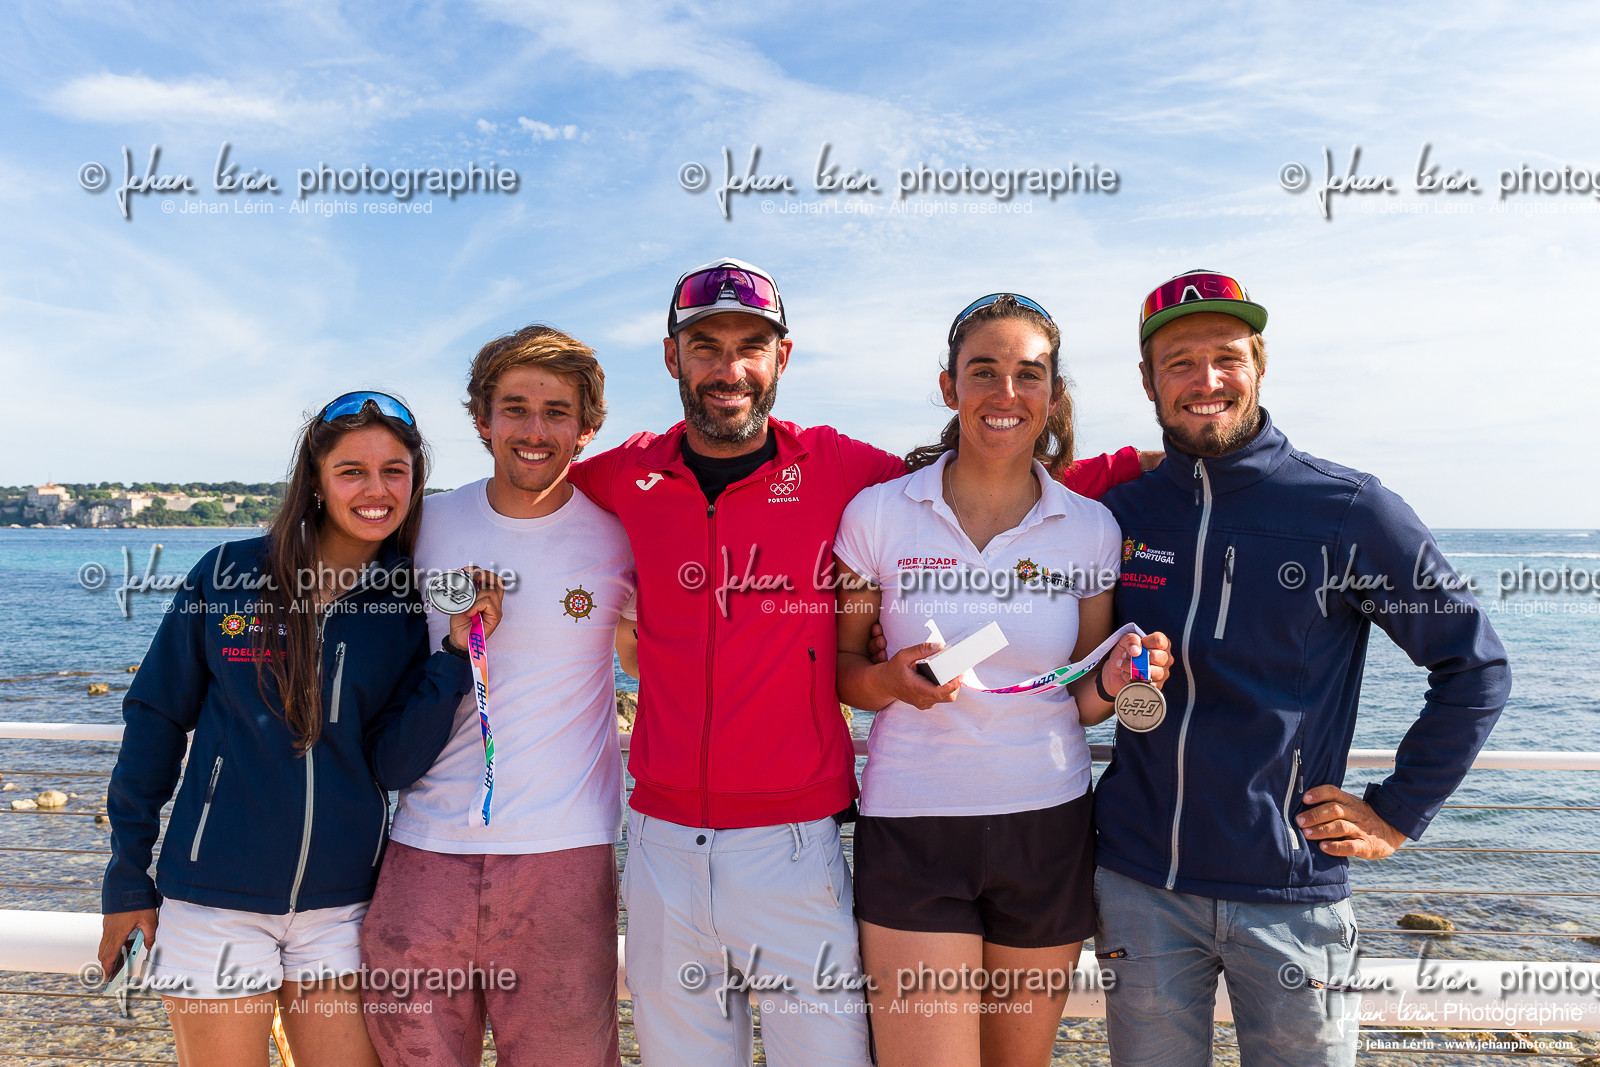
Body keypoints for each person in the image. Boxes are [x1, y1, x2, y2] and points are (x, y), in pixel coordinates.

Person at [567, 260, 1153, 1066]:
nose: (729, 368)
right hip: (715, 834)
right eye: (706, 346)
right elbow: (531, 483)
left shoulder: (848, 471)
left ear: (783, 356)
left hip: (896, 833)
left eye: (752, 346)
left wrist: (1146, 473)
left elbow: (998, 482)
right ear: (673, 358)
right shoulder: (630, 475)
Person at [1092, 270, 1512, 1066]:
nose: (1205, 380)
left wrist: (1397, 810)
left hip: (1291, 896)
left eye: (1227, 356)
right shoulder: (1123, 512)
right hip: (1140, 885)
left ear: (1259, 364)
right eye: (1179, 361)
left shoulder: (1346, 508)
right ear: (1147, 380)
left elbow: (1474, 663)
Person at [99, 392, 502, 1067]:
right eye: (352, 470)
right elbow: (155, 720)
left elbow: (392, 765)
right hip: (212, 901)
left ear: (416, 481)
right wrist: (126, 877)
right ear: (315, 478)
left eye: (394, 471)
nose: (376, 490)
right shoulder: (226, 575)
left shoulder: (407, 600)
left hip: (341, 910)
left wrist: (456, 658)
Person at [831, 293, 1171, 1067]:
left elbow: (1077, 697)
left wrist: (1115, 680)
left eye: (1029, 374)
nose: (1006, 393)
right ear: (950, 387)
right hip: (912, 826)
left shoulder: (1090, 526)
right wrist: (890, 679)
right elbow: (845, 672)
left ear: (1052, 393)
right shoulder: (876, 515)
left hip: (1047, 828)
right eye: (983, 371)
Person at [360, 326, 638, 1066]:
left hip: (562, 858)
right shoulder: (422, 522)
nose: (534, 429)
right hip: (423, 849)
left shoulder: (621, 535)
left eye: (557, 410)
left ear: (589, 425)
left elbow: (667, 652)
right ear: (482, 419)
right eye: (514, 408)